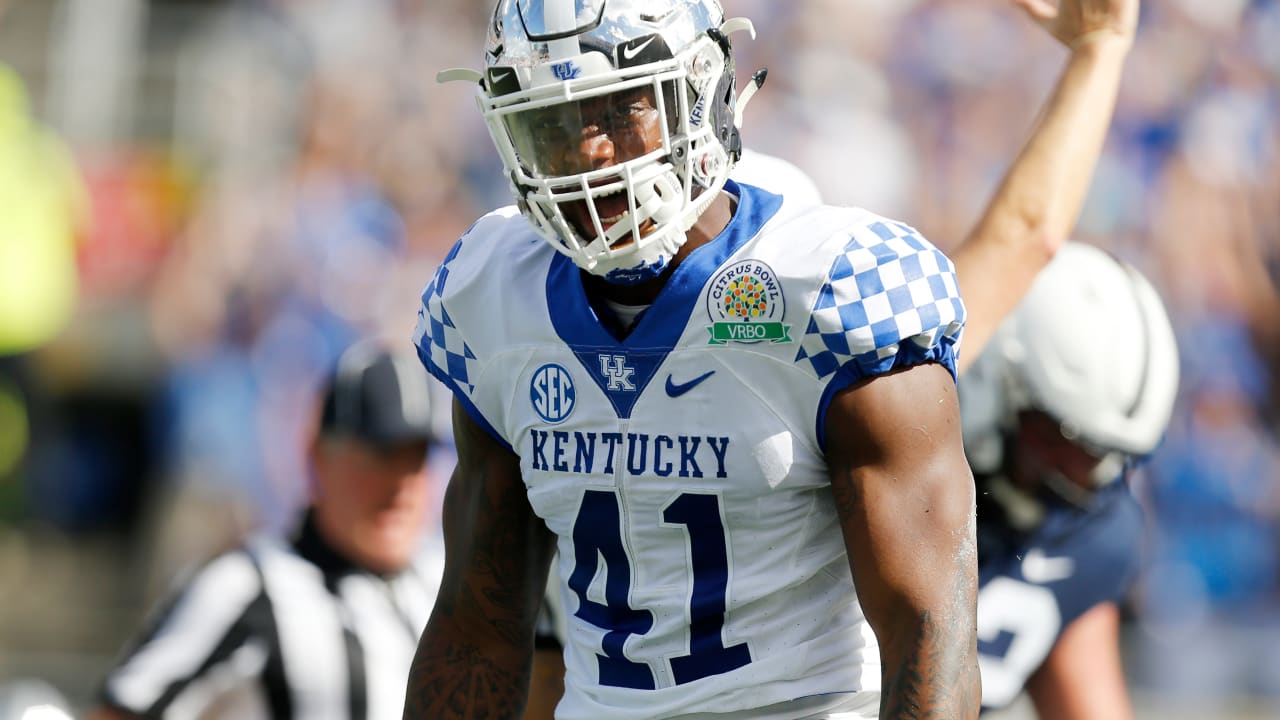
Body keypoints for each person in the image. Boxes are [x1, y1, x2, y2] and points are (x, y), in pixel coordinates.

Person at [408, 0, 1136, 716]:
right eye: (555, 124)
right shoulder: (495, 296)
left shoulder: (832, 300)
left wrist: (1099, 53)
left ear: (702, 95)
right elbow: (477, 632)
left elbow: (929, 629)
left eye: (622, 109)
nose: (592, 150)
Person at [91, 342, 442, 720]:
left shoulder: (444, 581)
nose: (402, 486)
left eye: (417, 457)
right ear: (318, 458)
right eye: (382, 456)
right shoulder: (245, 587)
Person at [961, 242, 1178, 717]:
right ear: (999, 381)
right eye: (1065, 437)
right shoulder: (901, 472)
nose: (1086, 474)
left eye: (1105, 453)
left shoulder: (1096, 530)